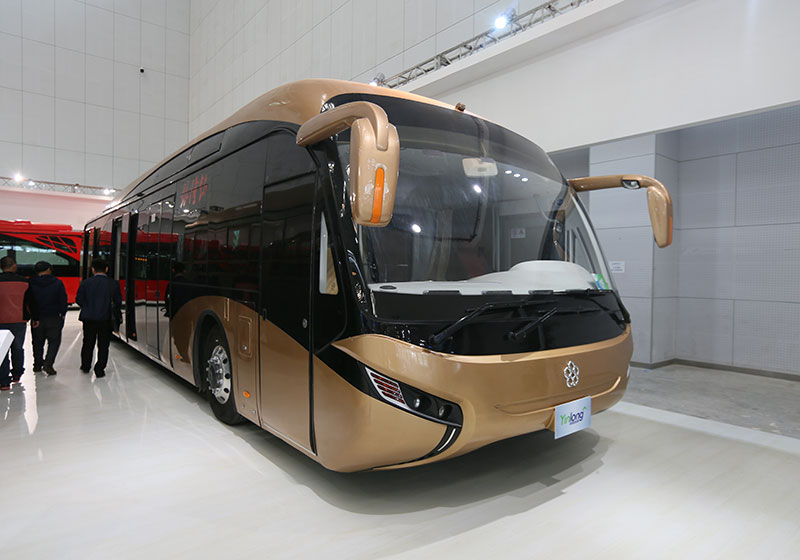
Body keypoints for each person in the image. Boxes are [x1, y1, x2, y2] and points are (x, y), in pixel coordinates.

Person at [76, 259, 121, 379]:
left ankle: (86, 366)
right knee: (103, 345)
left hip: (88, 319)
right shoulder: (113, 283)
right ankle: (99, 369)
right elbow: (118, 301)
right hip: (106, 319)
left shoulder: (86, 283)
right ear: (106, 269)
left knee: (87, 343)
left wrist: (88, 307)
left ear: (93, 269)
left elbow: (79, 300)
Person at [0, 256, 34, 390]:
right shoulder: (25, 282)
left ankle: (4, 382)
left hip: (1, 321)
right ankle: (17, 375)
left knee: (2, 350)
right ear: (14, 266)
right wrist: (32, 317)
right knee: (18, 348)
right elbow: (30, 302)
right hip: (19, 320)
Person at [28, 260, 68, 375]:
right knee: (54, 342)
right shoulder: (57, 283)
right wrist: (62, 314)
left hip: (37, 318)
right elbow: (63, 300)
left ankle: (37, 364)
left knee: (37, 342)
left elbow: (29, 301)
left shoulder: (30, 283)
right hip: (54, 317)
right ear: (48, 269)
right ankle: (48, 364)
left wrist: (32, 316)